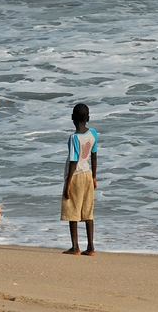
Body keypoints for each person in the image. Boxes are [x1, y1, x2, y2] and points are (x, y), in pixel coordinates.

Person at [61, 103, 98, 255]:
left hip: (75, 176)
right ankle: (90, 247)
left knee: (72, 211)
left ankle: (75, 246)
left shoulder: (73, 138)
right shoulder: (93, 134)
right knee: (88, 211)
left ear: (72, 119)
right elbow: (94, 156)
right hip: (88, 174)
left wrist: (68, 184)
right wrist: (94, 176)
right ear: (88, 118)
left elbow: (73, 161)